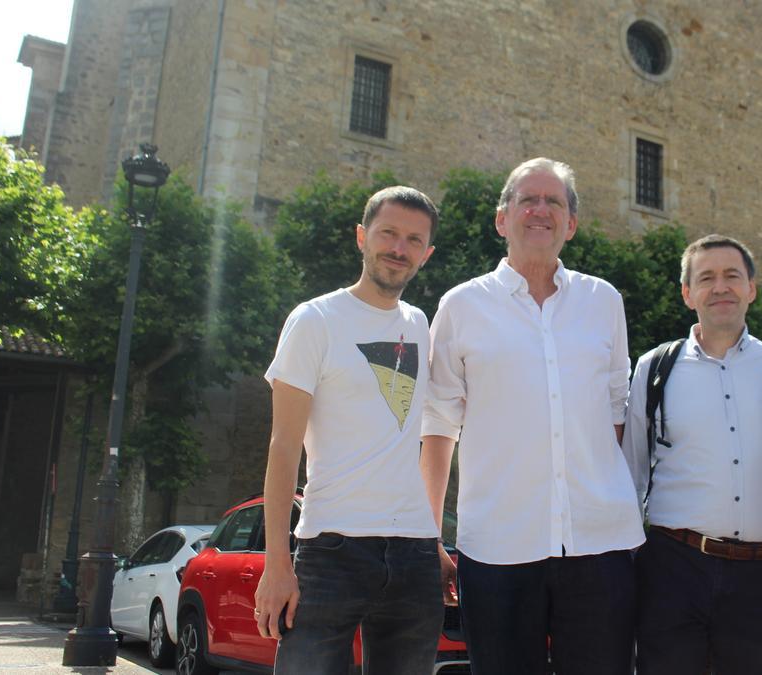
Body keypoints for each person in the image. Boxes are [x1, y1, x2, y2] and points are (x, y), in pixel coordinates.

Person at [420, 157, 644, 675]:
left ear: (571, 223)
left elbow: (616, 408)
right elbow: (438, 424)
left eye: (554, 202)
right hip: (497, 546)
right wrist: (430, 536)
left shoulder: (603, 301)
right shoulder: (460, 306)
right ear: (502, 219)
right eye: (528, 200)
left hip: (601, 542)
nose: (540, 210)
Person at [254, 186, 455, 675]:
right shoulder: (315, 320)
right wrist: (276, 563)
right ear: (362, 237)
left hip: (413, 554)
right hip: (332, 548)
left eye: (413, 240)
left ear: (426, 254)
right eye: (388, 233)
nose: (399, 249)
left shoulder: (420, 324)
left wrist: (432, 539)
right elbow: (283, 447)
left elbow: (421, 433)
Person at [621, 234, 762, 675]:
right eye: (706, 278)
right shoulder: (655, 368)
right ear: (687, 294)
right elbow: (631, 473)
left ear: (751, 288)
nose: (720, 287)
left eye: (732, 276)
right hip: (673, 569)